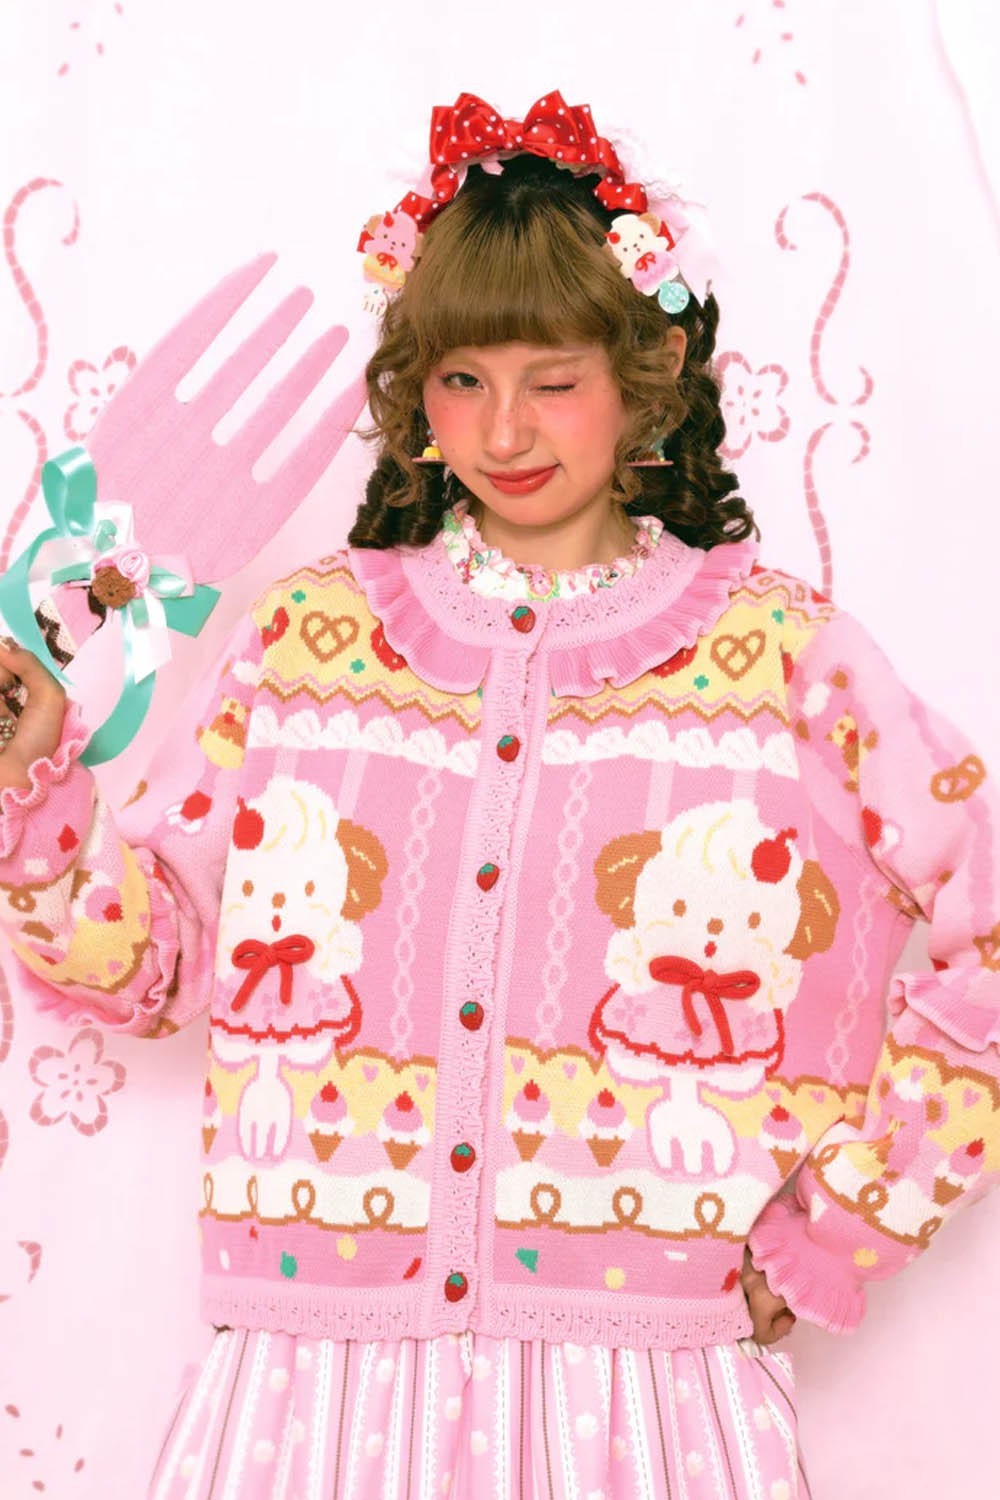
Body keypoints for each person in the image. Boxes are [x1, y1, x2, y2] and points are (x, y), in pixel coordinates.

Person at [0, 88, 997, 1499]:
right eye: (463, 378)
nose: (506, 427)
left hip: (648, 1397)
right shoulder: (306, 640)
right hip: (308, 1387)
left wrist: (842, 1225)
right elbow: (154, 967)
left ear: (650, 371)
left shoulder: (785, 659)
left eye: (554, 377)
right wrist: (30, 795)